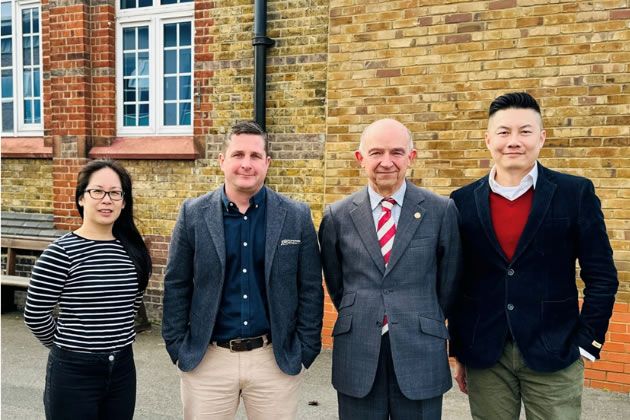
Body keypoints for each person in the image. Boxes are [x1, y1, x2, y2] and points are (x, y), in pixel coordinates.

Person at [449, 92, 619, 419]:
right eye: (504, 132)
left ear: (541, 138)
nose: (514, 141)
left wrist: (586, 342)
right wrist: (460, 350)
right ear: (488, 139)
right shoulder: (462, 200)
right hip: (487, 355)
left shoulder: (575, 193)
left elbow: (602, 277)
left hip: (555, 350)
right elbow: (458, 281)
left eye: (525, 131)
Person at [161, 120, 324, 420]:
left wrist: (305, 350)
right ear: (222, 161)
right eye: (238, 155)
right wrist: (176, 345)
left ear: (267, 162)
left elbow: (311, 287)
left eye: (254, 156)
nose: (246, 164)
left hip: (273, 361)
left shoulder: (296, 216)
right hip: (208, 360)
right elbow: (177, 283)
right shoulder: (193, 214)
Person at [319, 118, 463, 420]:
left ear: (411, 157)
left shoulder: (441, 210)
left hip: (420, 349)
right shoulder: (337, 216)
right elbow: (337, 284)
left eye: (397, 152)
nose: (387, 162)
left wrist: (423, 315)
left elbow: (449, 283)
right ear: (361, 159)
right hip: (358, 350)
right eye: (376, 153)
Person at [24, 159, 152, 420]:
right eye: (97, 191)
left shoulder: (133, 251)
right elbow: (35, 314)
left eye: (115, 193)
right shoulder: (60, 253)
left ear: (124, 202)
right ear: (81, 198)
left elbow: (132, 305)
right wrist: (66, 346)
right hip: (73, 372)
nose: (107, 199)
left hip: (122, 369)